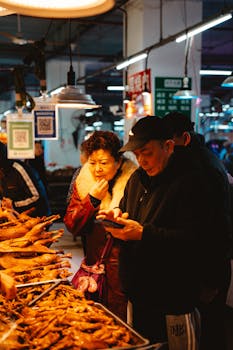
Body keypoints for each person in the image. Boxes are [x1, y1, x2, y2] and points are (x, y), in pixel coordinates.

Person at [97, 116, 231, 348]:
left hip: (174, 295)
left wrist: (143, 234)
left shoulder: (194, 182)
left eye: (146, 152)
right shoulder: (137, 179)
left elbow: (200, 239)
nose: (141, 161)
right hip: (138, 291)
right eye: (136, 154)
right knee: (144, 344)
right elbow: (130, 214)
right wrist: (117, 218)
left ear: (168, 146)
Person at [163, 111, 232, 350]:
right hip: (199, 266)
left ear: (185, 138)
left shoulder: (202, 168)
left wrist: (211, 280)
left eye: (170, 143)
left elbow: (217, 225)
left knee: (210, 334)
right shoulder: (192, 161)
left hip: (210, 268)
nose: (168, 149)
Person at [63, 130, 137, 321]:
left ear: (118, 161)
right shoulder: (82, 180)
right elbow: (72, 224)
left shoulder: (136, 180)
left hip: (128, 267)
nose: (97, 169)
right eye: (93, 162)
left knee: (123, 321)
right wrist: (91, 201)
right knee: (95, 318)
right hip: (93, 264)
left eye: (103, 163)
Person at [0, 141, 51, 217]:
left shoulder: (18, 168)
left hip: (35, 217)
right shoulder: (2, 171)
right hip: (14, 216)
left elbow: (36, 197)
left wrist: (14, 204)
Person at [66, 138, 89, 205]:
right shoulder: (80, 170)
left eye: (82, 153)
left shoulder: (83, 171)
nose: (80, 157)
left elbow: (70, 199)